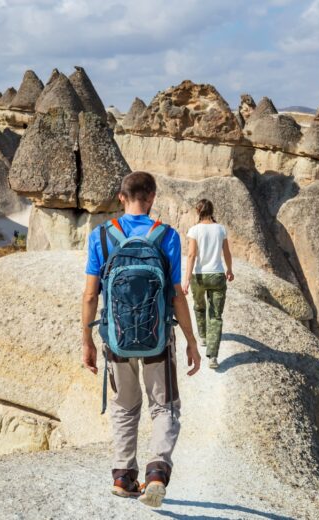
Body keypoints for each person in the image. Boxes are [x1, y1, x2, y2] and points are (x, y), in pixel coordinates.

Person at [81, 171, 201, 508]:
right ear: (151, 197)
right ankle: (156, 475)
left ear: (122, 197)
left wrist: (86, 339)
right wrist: (191, 339)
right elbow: (177, 294)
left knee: (124, 406)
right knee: (164, 407)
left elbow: (91, 295)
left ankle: (123, 477)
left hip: (115, 339)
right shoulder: (166, 236)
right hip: (158, 339)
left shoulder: (101, 237)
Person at [182, 199, 234, 370]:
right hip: (217, 275)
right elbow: (226, 252)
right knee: (216, 316)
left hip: (199, 276)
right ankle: (213, 356)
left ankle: (203, 336)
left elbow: (191, 255)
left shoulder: (194, 230)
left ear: (198, 211)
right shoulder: (220, 229)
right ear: (212, 211)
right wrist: (229, 270)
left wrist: (187, 279)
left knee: (199, 307)